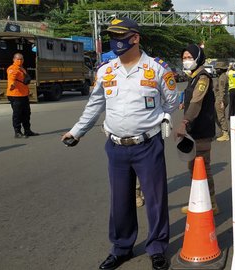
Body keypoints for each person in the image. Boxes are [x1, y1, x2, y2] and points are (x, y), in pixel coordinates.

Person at [60, 17, 177, 270]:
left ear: (135, 38)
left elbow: (170, 101)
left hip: (148, 144)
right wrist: (76, 131)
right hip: (115, 146)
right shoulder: (105, 70)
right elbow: (95, 105)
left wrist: (164, 120)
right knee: (120, 200)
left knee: (156, 199)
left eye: (121, 35)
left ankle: (157, 247)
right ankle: (122, 248)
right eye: (112, 35)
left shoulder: (157, 69)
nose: (116, 41)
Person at [176, 44, 219, 215]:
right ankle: (201, 201)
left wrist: (184, 122)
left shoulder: (202, 77)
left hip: (201, 130)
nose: (186, 60)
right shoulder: (193, 77)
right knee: (194, 166)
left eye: (189, 57)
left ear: (198, 58)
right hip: (194, 129)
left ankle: (211, 202)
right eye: (184, 58)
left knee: (201, 167)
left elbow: (197, 101)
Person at [6, 53, 39, 138]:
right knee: (17, 114)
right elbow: (11, 78)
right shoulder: (12, 69)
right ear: (13, 59)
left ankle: (27, 131)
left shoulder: (22, 69)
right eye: (18, 59)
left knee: (26, 113)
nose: (20, 61)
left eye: (21, 59)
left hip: (24, 95)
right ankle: (17, 132)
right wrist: (12, 85)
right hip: (15, 95)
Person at [214, 61, 230, 142]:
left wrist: (221, 101)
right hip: (220, 98)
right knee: (216, 116)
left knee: (220, 116)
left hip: (220, 99)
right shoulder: (221, 76)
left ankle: (225, 133)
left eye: (218, 69)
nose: (216, 70)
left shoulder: (222, 78)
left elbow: (222, 90)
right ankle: (224, 131)